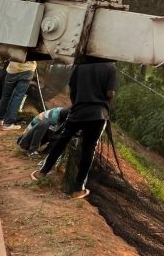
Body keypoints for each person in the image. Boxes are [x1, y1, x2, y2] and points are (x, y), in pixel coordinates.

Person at [31, 61, 116, 200]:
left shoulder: (81, 64)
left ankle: (43, 172)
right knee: (89, 148)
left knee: (62, 139)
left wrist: (78, 102)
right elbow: (110, 93)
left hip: (78, 111)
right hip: (98, 115)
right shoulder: (110, 67)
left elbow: (72, 87)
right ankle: (77, 189)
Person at [0, 59, 38, 130]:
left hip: (12, 68)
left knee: (6, 95)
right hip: (27, 69)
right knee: (18, 97)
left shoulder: (16, 47)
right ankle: (8, 123)